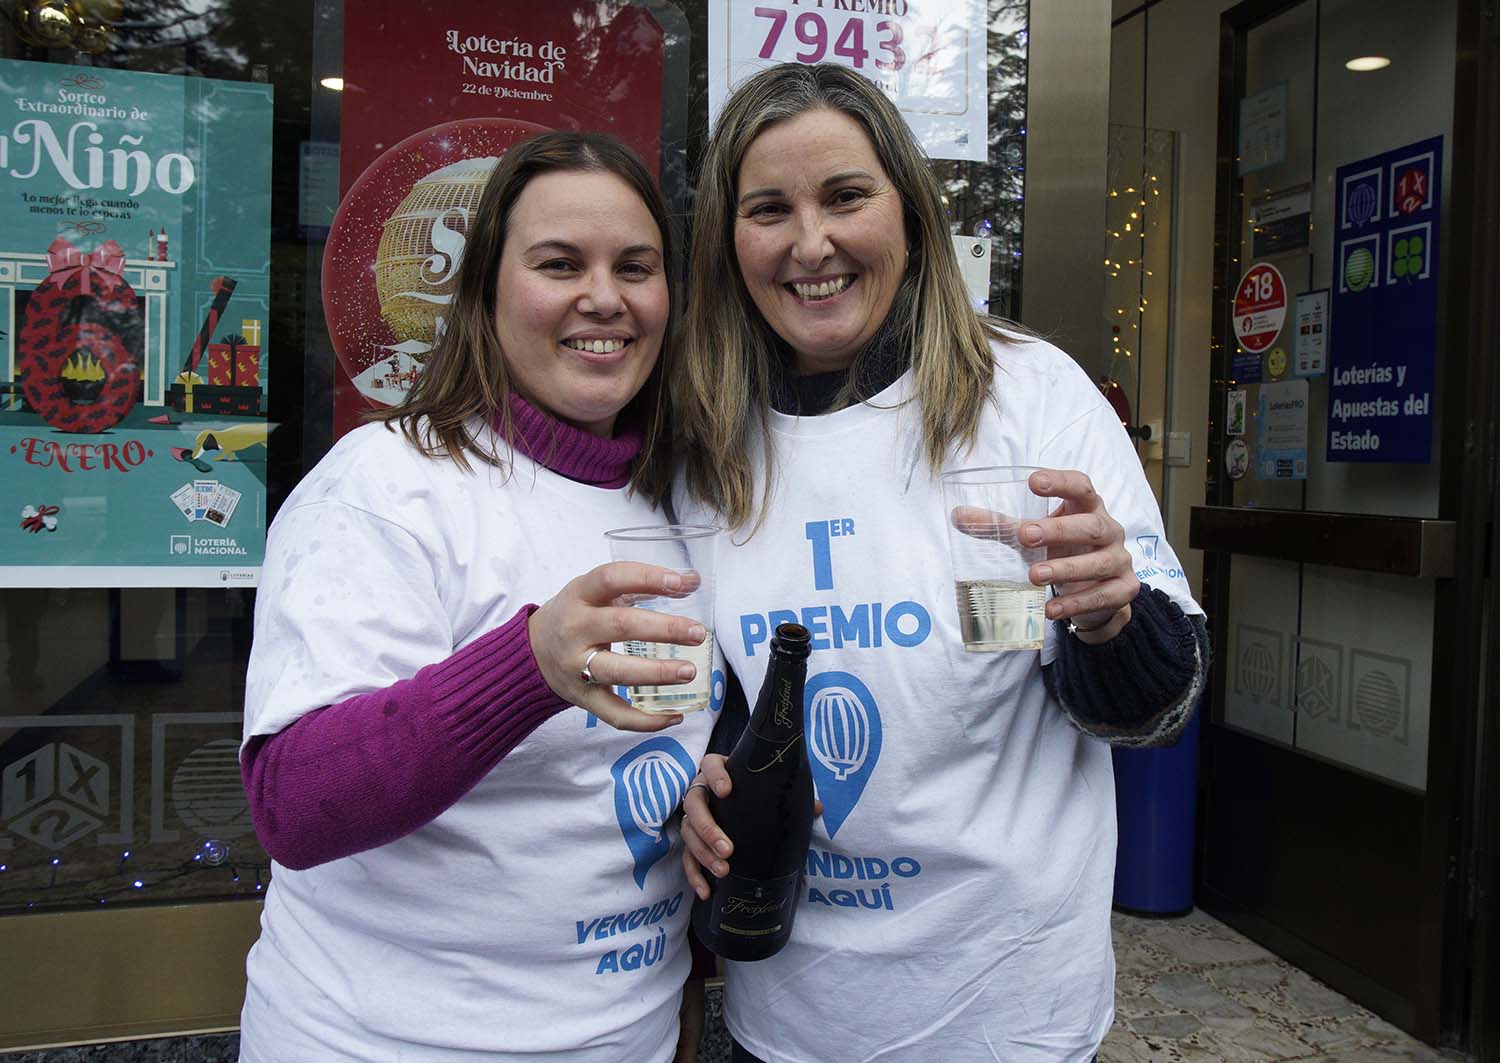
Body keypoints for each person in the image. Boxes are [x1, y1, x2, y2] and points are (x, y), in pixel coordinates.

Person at [675, 63, 1208, 1063]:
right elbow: (723, 705)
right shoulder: (705, 441)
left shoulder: (1031, 395)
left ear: (910, 214)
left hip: (1005, 1011)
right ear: (725, 241)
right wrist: (695, 784)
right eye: (767, 209)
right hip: (785, 1016)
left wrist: (1108, 617)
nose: (810, 244)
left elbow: (1153, 708)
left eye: (845, 196)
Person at [238, 132, 716, 1063]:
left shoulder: (687, 497)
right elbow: (292, 803)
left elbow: (635, 786)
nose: (605, 297)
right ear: (484, 291)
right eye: (558, 264)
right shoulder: (386, 483)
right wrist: (529, 664)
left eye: (636, 266)